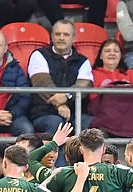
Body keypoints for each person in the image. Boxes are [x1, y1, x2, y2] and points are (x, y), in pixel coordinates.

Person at [27, 19, 94, 158]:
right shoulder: (39, 55)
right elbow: (42, 83)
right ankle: (54, 171)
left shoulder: (83, 61)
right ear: (52, 36)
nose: (61, 38)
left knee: (89, 124)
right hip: (43, 113)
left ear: (73, 38)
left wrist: (67, 96)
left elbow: (85, 85)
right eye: (57, 34)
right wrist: (61, 105)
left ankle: (87, 168)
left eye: (66, 34)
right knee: (56, 123)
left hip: (75, 113)